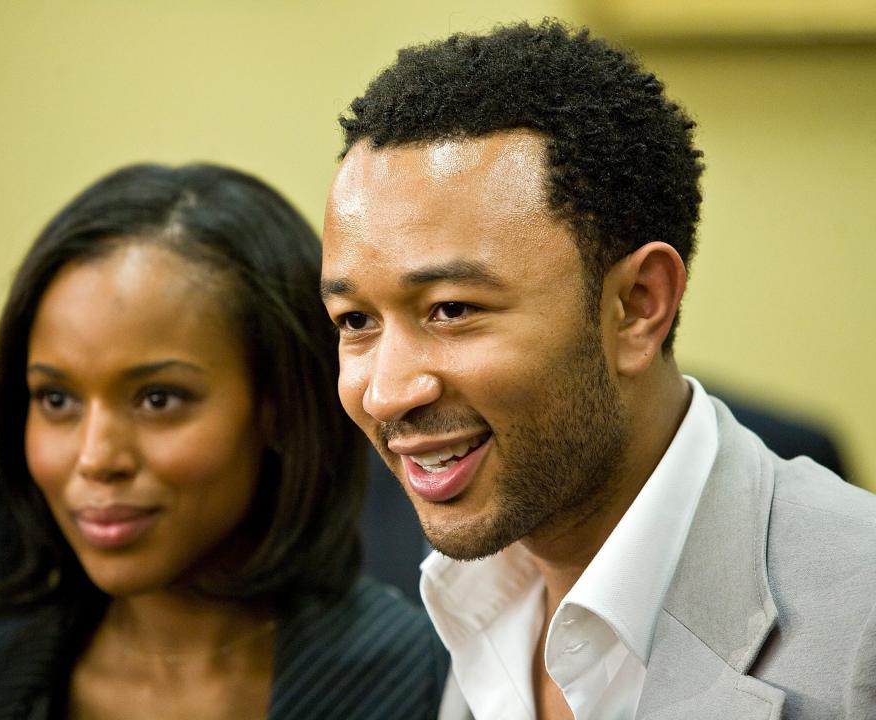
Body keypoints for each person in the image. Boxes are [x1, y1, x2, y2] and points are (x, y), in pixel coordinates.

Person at [320, 19, 876, 720]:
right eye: (355, 322)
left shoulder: (861, 624)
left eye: (452, 309)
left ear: (638, 307)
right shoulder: (446, 608)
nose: (388, 391)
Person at [0, 163, 448, 719]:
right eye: (56, 400)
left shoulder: (434, 682)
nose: (96, 458)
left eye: (157, 400)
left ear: (282, 408)